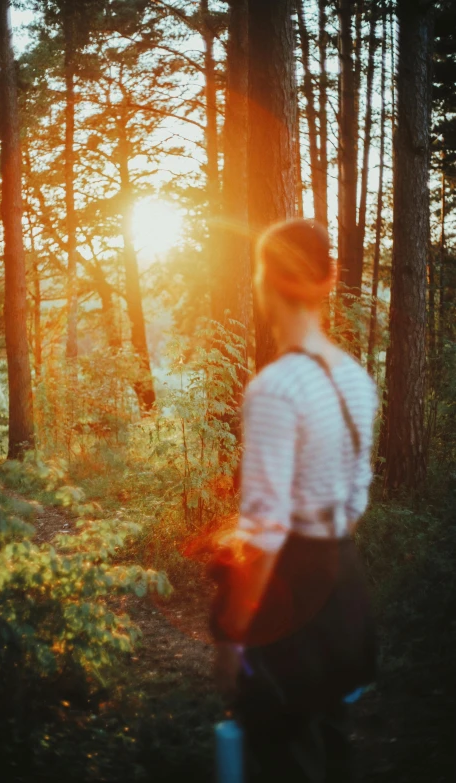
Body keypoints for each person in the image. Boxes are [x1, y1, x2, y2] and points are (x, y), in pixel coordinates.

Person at [210, 219, 379, 782]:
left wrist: (233, 631)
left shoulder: (275, 388)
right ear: (328, 280)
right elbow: (356, 497)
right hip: (345, 586)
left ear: (265, 282)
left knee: (285, 757)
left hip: (290, 596)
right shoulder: (357, 379)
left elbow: (266, 527)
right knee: (333, 740)